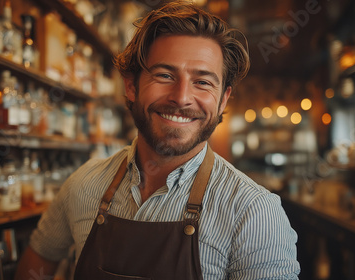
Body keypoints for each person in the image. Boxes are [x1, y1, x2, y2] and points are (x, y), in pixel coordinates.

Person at [15, 2, 300, 279]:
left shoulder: (254, 213)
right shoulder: (83, 184)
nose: (181, 97)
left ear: (223, 99)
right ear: (131, 85)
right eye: (164, 75)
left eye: (202, 82)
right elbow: (38, 259)